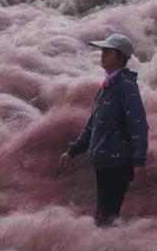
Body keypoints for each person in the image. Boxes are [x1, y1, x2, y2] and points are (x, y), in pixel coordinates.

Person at [58, 33, 148, 226]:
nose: (102, 55)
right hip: (105, 162)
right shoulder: (108, 87)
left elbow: (138, 124)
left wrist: (139, 161)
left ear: (121, 57)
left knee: (106, 217)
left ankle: (112, 250)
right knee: (105, 216)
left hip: (118, 163)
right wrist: (72, 151)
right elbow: (93, 126)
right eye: (102, 51)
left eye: (108, 52)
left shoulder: (125, 86)